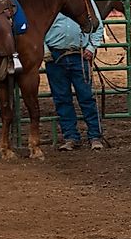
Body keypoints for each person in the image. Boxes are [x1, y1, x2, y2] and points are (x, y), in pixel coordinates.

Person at [44, 9, 105, 150]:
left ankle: (94, 135)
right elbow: (38, 26)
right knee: (62, 98)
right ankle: (71, 136)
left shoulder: (83, 1)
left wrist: (91, 47)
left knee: (86, 97)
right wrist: (45, 49)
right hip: (55, 55)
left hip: (80, 54)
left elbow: (97, 25)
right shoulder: (50, 1)